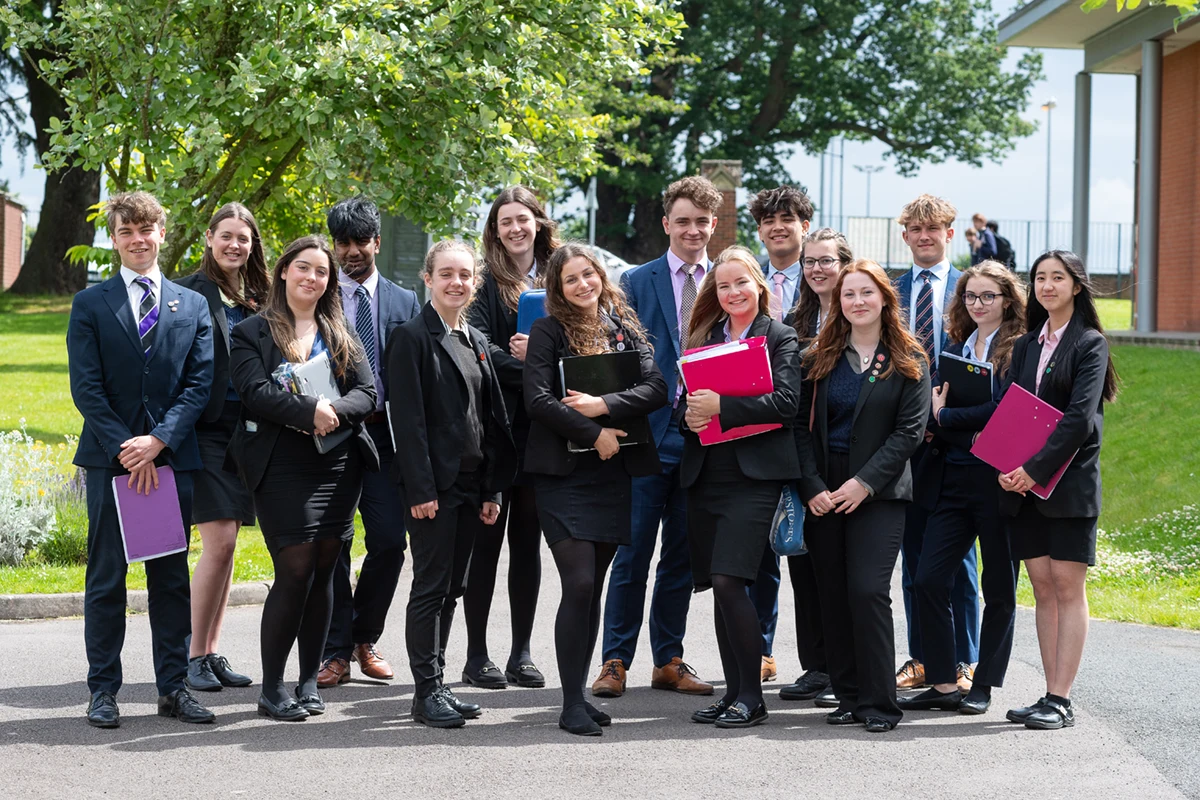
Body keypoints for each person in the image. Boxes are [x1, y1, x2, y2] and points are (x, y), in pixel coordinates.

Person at [68, 191, 216, 728]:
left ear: (162, 234)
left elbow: (199, 385)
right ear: (114, 238)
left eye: (146, 229)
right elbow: (86, 388)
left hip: (171, 460)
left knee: (169, 579)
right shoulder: (90, 304)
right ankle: (103, 690)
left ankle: (173, 688)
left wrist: (157, 442)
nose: (137, 239)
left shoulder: (192, 305)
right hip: (113, 464)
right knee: (107, 579)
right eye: (127, 230)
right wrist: (129, 449)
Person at [228, 235, 379, 721]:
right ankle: (272, 688)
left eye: (321, 272)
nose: (312, 278)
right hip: (281, 467)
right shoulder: (251, 331)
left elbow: (369, 392)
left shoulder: (340, 332)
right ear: (283, 272)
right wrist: (308, 411)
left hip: (338, 464)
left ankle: (309, 680)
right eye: (304, 268)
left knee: (325, 572)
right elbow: (253, 392)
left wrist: (332, 410)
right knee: (294, 572)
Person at [523, 242, 668, 736]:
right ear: (558, 289)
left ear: (601, 277)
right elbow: (537, 399)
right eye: (571, 279)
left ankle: (579, 698)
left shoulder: (623, 328)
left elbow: (657, 389)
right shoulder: (547, 331)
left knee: (594, 589)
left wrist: (603, 406)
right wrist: (593, 433)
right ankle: (568, 704)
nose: (582, 284)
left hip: (611, 476)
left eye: (588, 275)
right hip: (563, 477)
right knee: (579, 584)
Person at [592, 176, 720, 699]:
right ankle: (614, 659)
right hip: (647, 434)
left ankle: (669, 658)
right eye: (683, 221)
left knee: (682, 557)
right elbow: (611, 356)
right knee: (632, 552)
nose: (692, 230)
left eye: (702, 222)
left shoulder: (727, 281)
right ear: (667, 223)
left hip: (704, 437)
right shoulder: (635, 282)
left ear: (714, 226)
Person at [795, 259, 931, 732]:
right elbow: (798, 428)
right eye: (849, 294)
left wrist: (864, 483)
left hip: (880, 491)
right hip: (823, 491)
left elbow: (910, 433)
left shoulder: (909, 358)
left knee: (868, 591)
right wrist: (811, 485)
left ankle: (879, 703)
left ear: (884, 299)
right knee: (831, 595)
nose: (857, 301)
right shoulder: (818, 356)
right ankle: (849, 696)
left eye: (866, 293)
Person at [386, 240, 517, 728]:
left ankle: (436, 686)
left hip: (470, 485)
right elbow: (408, 422)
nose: (456, 282)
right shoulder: (411, 337)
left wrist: (492, 490)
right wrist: (420, 490)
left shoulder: (476, 340)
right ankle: (425, 691)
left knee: (452, 590)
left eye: (465, 275)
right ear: (428, 278)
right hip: (432, 489)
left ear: (475, 281)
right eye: (446, 274)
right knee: (430, 588)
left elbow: (487, 421)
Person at [681, 246, 801, 728]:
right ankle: (733, 692)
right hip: (706, 473)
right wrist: (690, 414)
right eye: (723, 285)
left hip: (754, 479)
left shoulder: (780, 336)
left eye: (740, 283)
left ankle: (752, 697)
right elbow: (686, 405)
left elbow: (787, 402)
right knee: (716, 584)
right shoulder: (704, 338)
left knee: (733, 581)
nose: (732, 292)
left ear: (759, 285)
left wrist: (721, 406)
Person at [999, 250, 1118, 731]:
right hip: (1025, 488)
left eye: (1057, 278)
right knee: (1042, 588)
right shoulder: (1026, 345)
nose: (1047, 286)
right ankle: (1047, 693)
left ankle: (1061, 699)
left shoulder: (1090, 344)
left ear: (1076, 285)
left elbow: (1078, 421)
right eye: (1040, 278)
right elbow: (1014, 410)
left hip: (1068, 487)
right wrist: (1006, 464)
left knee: (1067, 588)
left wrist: (1032, 468)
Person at [901, 261, 1025, 716]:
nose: (977, 304)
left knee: (999, 589)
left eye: (988, 296)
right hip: (953, 478)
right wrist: (953, 424)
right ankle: (941, 682)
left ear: (1007, 300)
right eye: (971, 296)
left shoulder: (1020, 349)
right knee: (929, 578)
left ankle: (984, 685)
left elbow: (1006, 407)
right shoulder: (957, 345)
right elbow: (936, 399)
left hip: (998, 482)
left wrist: (947, 418)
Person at [317, 196, 421, 688]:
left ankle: (365, 636)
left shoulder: (405, 302)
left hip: (384, 437)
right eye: (343, 243)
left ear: (377, 241)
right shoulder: (319, 298)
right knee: (333, 544)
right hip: (332, 434)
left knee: (388, 542)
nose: (352, 251)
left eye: (361, 241)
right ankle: (335, 650)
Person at [462, 186, 561, 689]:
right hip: (497, 430)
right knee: (486, 543)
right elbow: (478, 348)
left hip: (546, 431)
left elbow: (584, 342)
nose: (515, 229)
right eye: (505, 222)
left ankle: (521, 652)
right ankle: (476, 654)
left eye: (523, 219)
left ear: (539, 223)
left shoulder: (561, 275)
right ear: (495, 230)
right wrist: (530, 366)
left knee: (528, 545)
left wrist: (541, 364)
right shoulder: (482, 283)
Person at [174, 202, 268, 694]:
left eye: (244, 237)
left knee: (229, 548)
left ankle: (209, 651)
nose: (235, 245)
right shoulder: (189, 293)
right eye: (226, 235)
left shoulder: (259, 297)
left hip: (249, 431)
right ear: (209, 238)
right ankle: (192, 654)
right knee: (222, 541)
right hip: (206, 430)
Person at [893, 194, 981, 693]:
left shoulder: (971, 292)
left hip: (961, 442)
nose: (924, 236)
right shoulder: (893, 292)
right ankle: (923, 656)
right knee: (913, 556)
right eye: (915, 229)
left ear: (950, 233)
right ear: (905, 236)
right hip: (908, 442)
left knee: (960, 560)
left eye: (934, 229)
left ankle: (965, 657)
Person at [776, 227, 852, 708]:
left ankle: (846, 668)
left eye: (827, 260)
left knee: (843, 571)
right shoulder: (794, 319)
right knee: (804, 566)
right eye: (810, 262)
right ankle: (817, 666)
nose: (818, 269)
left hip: (845, 453)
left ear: (845, 264)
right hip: (801, 455)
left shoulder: (860, 314)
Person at [745, 185, 812, 684]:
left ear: (803, 225)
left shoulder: (823, 278)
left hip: (812, 429)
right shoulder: (749, 283)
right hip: (758, 429)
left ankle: (821, 662)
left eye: (787, 218)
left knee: (809, 556)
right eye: (768, 220)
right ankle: (761, 650)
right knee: (761, 552)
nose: (777, 227)